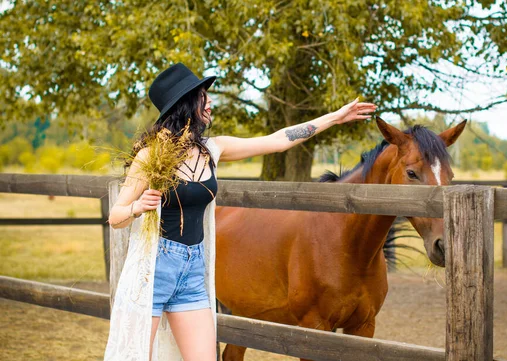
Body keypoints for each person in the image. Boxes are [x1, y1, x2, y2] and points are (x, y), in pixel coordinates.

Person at [104, 62, 376, 361]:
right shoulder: (151, 156)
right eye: (203, 96)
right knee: (137, 355)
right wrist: (136, 207)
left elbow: (278, 140)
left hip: (193, 272)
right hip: (155, 271)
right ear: (185, 103)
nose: (210, 102)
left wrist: (334, 118)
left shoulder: (212, 149)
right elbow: (115, 217)